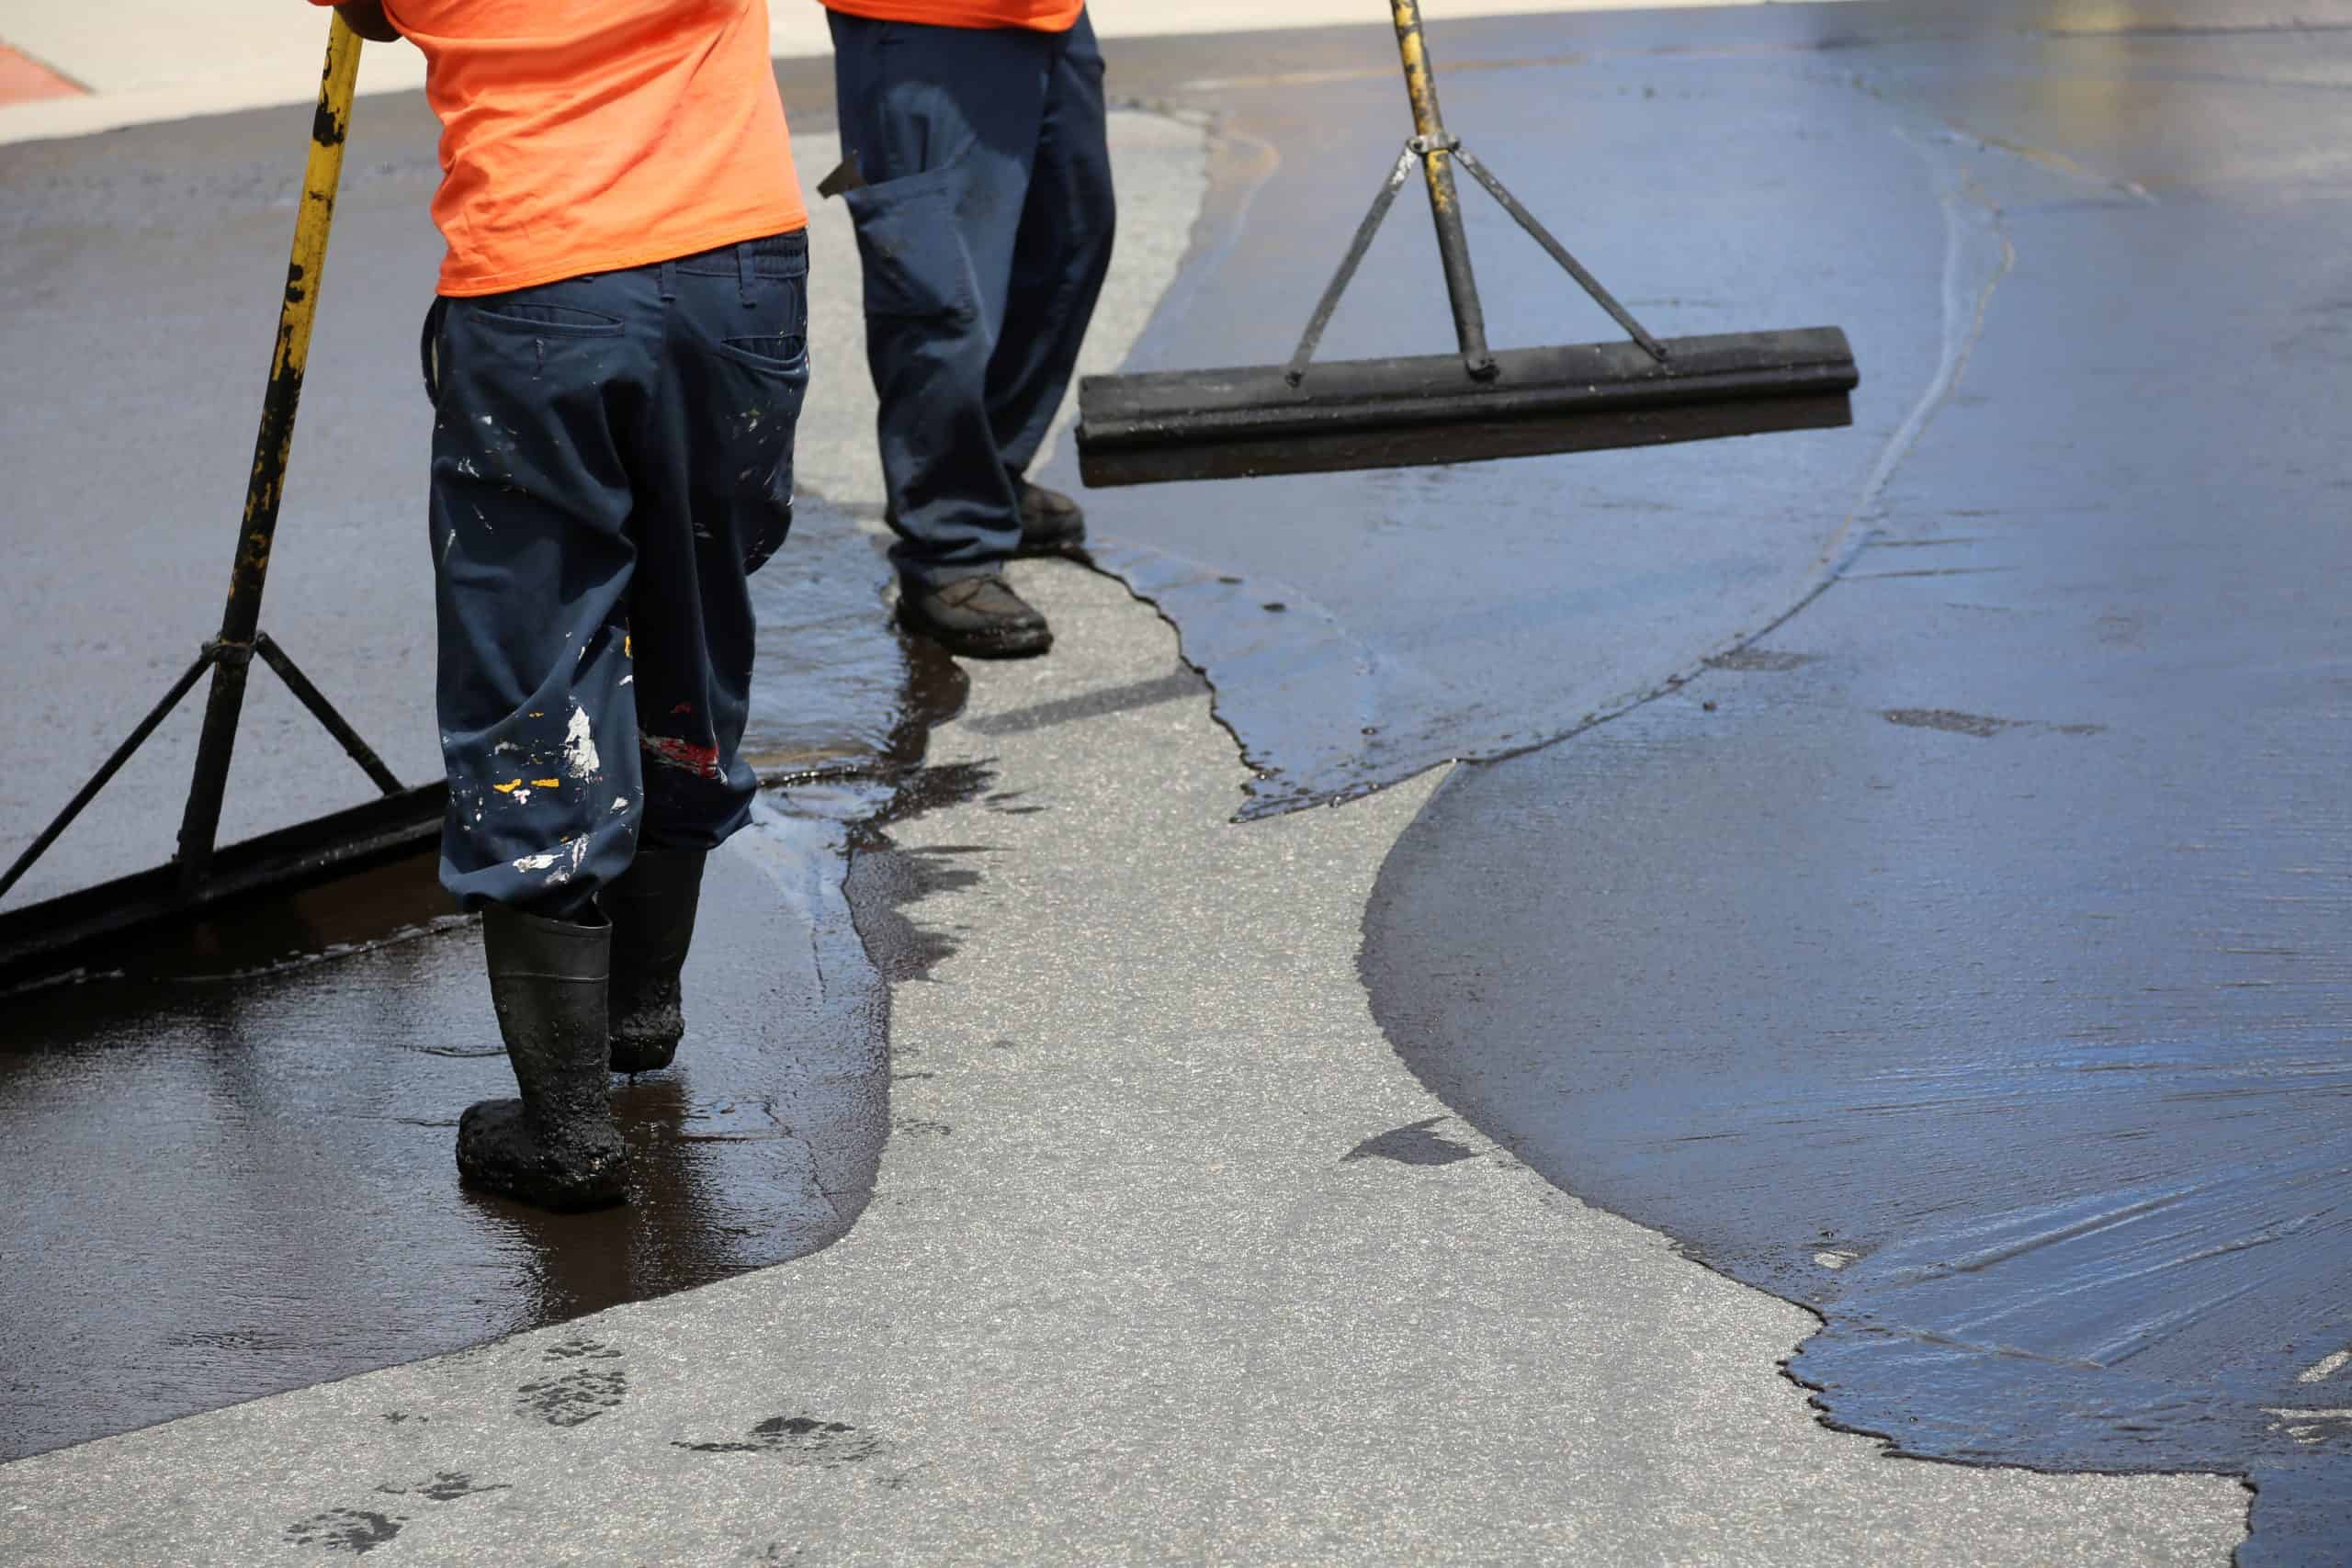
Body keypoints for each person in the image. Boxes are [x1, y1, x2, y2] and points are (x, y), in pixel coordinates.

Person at [324, 0, 812, 1211]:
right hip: (734, 268)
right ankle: (640, 1003)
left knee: (535, 668)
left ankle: (566, 1121)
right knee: (691, 622)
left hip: (542, 272)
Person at [821, 0, 1114, 659]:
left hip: (1049, 18)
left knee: (1066, 244)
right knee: (939, 291)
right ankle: (948, 549)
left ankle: (990, 473)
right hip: (926, 25)